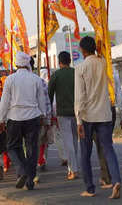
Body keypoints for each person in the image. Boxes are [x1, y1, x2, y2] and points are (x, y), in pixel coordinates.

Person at [75, 36, 122, 199]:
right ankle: (115, 180)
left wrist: (78, 120)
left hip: (88, 115)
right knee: (108, 149)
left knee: (85, 154)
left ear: (82, 50)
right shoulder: (103, 63)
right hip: (104, 113)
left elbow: (80, 96)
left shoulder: (80, 68)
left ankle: (90, 188)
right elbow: (103, 54)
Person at [0, 51, 49, 191]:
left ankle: (21, 170)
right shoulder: (36, 79)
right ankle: (30, 180)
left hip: (14, 117)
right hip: (33, 118)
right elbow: (41, 101)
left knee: (13, 147)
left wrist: (1, 119)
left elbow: (5, 101)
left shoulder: (10, 79)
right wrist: (43, 116)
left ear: (16, 64)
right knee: (32, 149)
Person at [48, 51, 79, 180]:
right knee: (74, 141)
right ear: (70, 60)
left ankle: (73, 169)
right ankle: (73, 167)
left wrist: (49, 112)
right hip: (78, 112)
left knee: (68, 142)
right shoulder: (76, 73)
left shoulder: (56, 75)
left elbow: (48, 95)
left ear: (59, 62)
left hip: (63, 113)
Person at [96, 71, 122, 188]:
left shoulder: (89, 68)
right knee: (107, 143)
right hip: (111, 108)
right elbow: (119, 94)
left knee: (101, 144)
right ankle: (113, 177)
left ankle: (107, 177)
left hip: (97, 110)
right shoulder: (112, 71)